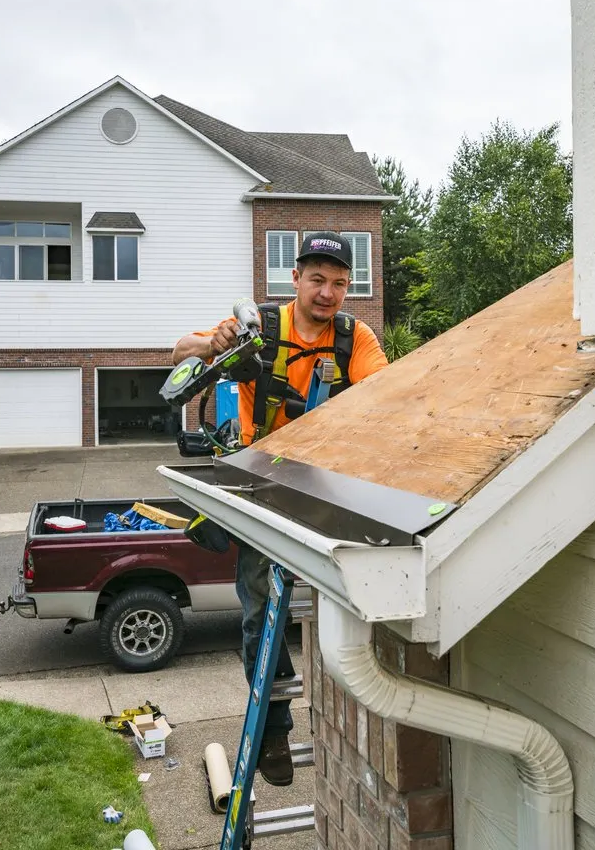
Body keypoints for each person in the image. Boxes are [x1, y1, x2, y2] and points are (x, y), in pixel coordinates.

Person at [172, 231, 388, 785]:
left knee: (361, 589)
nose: (328, 293)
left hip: (326, 483)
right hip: (261, 480)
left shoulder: (354, 336)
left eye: (340, 283)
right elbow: (179, 353)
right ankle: (272, 729)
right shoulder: (260, 328)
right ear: (295, 280)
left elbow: (386, 398)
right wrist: (214, 343)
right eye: (317, 280)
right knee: (259, 607)